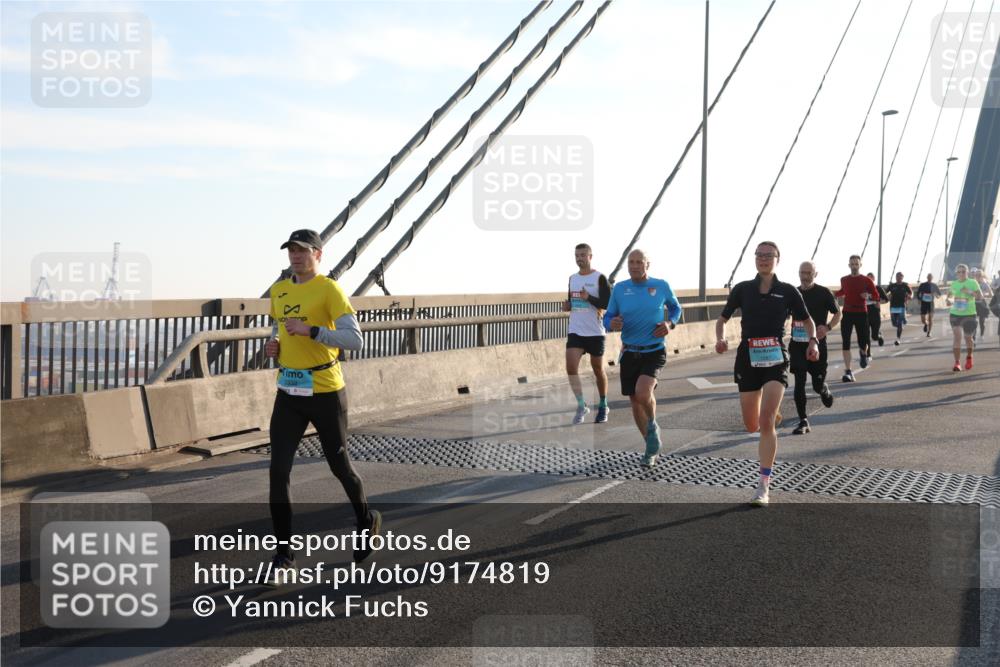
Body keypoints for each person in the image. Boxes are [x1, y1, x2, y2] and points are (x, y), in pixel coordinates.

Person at [265, 229, 381, 579]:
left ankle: (366, 519)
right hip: (289, 391)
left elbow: (355, 339)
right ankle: (284, 555)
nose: (295, 256)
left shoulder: (329, 289)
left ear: (318, 254)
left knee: (340, 466)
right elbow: (279, 329)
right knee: (278, 471)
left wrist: (314, 331)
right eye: (291, 251)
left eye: (302, 251)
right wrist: (274, 345)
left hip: (326, 391)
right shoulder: (279, 290)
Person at [715, 242, 819, 506]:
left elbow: (806, 320)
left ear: (777, 259)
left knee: (766, 420)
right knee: (752, 425)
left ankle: (763, 485)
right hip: (747, 359)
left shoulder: (787, 291)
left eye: (768, 255)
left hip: (775, 358)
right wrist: (721, 338)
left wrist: (813, 340)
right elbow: (722, 318)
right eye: (759, 255)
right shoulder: (742, 289)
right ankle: (769, 416)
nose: (763, 259)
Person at [604, 249, 682, 468]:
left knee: (643, 392)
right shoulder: (620, 289)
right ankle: (650, 445)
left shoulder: (660, 285)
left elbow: (676, 308)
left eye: (639, 262)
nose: (635, 265)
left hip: (654, 350)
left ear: (648, 264)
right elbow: (608, 317)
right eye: (631, 262)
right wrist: (612, 323)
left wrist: (670, 323)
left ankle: (652, 426)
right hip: (629, 351)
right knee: (635, 401)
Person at [562, 244, 611, 424]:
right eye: (577, 255)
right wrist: (568, 305)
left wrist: (588, 298)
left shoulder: (599, 278)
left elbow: (607, 303)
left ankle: (603, 404)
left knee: (598, 369)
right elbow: (572, 300)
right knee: (571, 368)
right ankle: (582, 405)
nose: (579, 258)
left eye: (583, 255)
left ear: (590, 256)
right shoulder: (572, 278)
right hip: (576, 329)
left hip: (595, 332)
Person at [789, 261, 840, 435]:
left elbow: (838, 312)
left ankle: (823, 389)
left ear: (815, 274)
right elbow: (782, 314)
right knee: (799, 381)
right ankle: (803, 420)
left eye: (808, 273)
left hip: (817, 345)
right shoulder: (793, 293)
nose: (804, 276)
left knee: (817, 384)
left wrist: (827, 328)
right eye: (802, 272)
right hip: (797, 344)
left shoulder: (823, 293)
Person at [835, 256, 879, 382]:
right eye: (852, 264)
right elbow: (843, 291)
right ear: (849, 265)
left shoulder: (866, 280)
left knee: (863, 340)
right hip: (847, 313)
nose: (854, 266)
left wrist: (868, 295)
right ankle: (848, 371)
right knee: (846, 342)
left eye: (856, 264)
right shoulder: (844, 279)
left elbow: (876, 295)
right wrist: (834, 295)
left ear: (860, 265)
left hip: (861, 312)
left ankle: (863, 353)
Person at [945, 264, 984, 371]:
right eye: (959, 272)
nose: (961, 274)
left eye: (963, 272)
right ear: (956, 274)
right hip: (955, 314)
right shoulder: (954, 284)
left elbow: (980, 296)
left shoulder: (972, 282)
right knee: (957, 337)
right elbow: (950, 296)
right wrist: (949, 301)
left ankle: (969, 357)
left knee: (968, 338)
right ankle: (957, 363)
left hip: (969, 314)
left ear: (967, 273)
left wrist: (969, 292)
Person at [885, 272, 913, 346]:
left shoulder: (905, 285)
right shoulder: (892, 286)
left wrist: (910, 296)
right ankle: (903, 321)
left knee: (899, 323)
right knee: (894, 323)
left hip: (901, 306)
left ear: (902, 277)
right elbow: (885, 292)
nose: (899, 278)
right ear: (895, 277)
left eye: (900, 276)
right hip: (893, 306)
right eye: (897, 276)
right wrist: (886, 297)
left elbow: (911, 293)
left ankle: (898, 339)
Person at [865, 272, 888, 350]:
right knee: (866, 335)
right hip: (865, 313)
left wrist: (878, 302)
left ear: (874, 279)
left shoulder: (878, 288)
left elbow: (886, 299)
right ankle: (868, 354)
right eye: (867, 278)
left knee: (874, 336)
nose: (869, 280)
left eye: (871, 278)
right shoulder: (862, 289)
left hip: (875, 312)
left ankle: (879, 336)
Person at [971, 268, 994, 339]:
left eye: (979, 275)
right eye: (976, 275)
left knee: (982, 321)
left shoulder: (985, 284)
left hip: (982, 304)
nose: (977, 276)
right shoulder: (973, 284)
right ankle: (973, 336)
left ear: (982, 276)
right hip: (974, 304)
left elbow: (991, 294)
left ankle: (981, 335)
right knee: (973, 321)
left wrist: (983, 294)